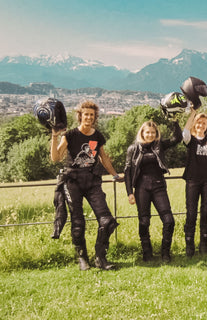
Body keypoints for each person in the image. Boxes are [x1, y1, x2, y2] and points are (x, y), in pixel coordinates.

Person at [50, 101, 123, 271]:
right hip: (72, 181)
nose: (89, 117)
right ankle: (82, 257)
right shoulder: (70, 135)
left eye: (92, 114)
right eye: (86, 114)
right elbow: (55, 158)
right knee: (78, 222)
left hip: (92, 180)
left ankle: (100, 257)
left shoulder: (97, 136)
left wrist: (115, 175)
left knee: (107, 220)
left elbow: (103, 158)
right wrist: (54, 136)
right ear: (80, 115)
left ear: (95, 117)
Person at [124, 120, 182, 262]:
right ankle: (147, 253)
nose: (150, 135)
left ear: (156, 134)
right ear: (142, 133)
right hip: (141, 188)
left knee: (169, 220)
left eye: (153, 132)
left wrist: (174, 122)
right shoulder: (133, 149)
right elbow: (127, 171)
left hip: (158, 187)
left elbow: (177, 139)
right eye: (147, 132)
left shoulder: (159, 145)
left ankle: (165, 253)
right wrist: (129, 193)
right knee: (144, 221)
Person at [182, 110, 207, 257]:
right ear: (194, 123)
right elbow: (184, 132)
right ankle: (189, 245)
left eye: (204, 123)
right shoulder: (190, 139)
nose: (201, 125)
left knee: (206, 212)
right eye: (198, 122)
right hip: (192, 180)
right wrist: (193, 113)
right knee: (191, 213)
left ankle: (204, 243)